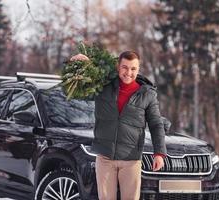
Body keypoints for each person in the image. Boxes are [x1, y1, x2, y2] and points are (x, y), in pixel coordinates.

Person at [70, 51, 167, 200]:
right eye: (125, 67)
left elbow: (156, 124)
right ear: (118, 67)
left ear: (138, 69)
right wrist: (79, 67)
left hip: (131, 159)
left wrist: (159, 153)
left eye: (133, 69)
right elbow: (80, 90)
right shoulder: (103, 86)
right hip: (105, 158)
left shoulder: (147, 94)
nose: (128, 72)